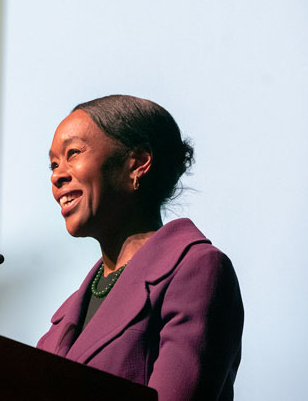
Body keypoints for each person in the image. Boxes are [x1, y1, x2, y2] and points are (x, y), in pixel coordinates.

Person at [36, 95, 243, 400]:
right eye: (54, 163)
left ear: (137, 163)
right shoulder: (65, 318)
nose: (57, 175)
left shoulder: (196, 271)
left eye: (74, 153)